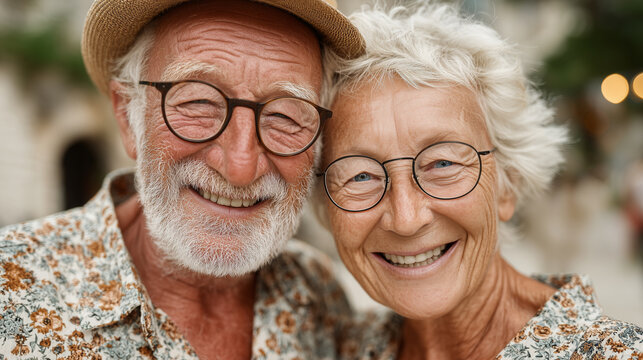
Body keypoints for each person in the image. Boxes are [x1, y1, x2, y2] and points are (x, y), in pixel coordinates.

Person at [0, 0, 366, 359]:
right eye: (199, 103)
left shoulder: (318, 294)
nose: (239, 167)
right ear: (128, 115)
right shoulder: (10, 286)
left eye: (285, 116)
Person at [315, 2, 643, 359]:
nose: (406, 219)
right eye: (361, 175)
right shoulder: (340, 346)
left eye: (442, 163)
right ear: (326, 208)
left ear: (508, 183)